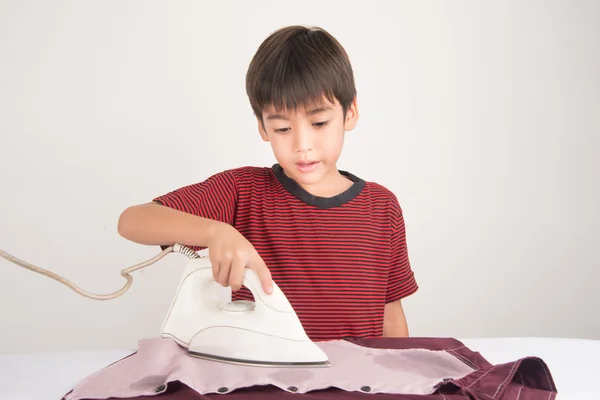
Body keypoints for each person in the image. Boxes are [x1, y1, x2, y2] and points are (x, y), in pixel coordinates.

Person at [117, 25, 418, 341]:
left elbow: (391, 315)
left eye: (319, 123)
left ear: (350, 112)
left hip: (358, 385)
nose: (303, 145)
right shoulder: (243, 191)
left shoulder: (382, 207)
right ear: (262, 126)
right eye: (283, 129)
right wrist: (216, 231)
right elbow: (132, 221)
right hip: (268, 382)